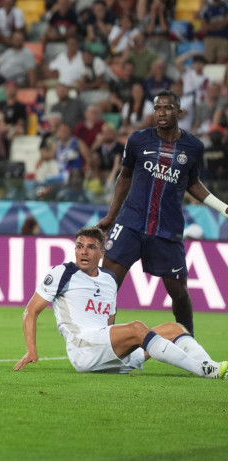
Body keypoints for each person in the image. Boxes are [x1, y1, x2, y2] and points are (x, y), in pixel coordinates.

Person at [14, 226, 227, 379]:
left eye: (90, 247)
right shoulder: (62, 272)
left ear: (101, 253)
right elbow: (31, 311)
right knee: (137, 328)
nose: (83, 252)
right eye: (79, 246)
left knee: (174, 329)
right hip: (83, 348)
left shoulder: (108, 279)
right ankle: (203, 370)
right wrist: (31, 350)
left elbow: (109, 322)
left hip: (106, 349)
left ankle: (212, 366)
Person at [97, 90, 228, 335]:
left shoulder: (193, 147)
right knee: (106, 285)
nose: (161, 113)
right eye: (157, 108)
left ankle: (187, 339)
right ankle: (101, 340)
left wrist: (223, 207)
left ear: (179, 112)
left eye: (167, 108)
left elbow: (192, 183)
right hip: (131, 223)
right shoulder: (138, 140)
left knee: (179, 293)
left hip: (166, 229)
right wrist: (111, 216)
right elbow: (124, 177)